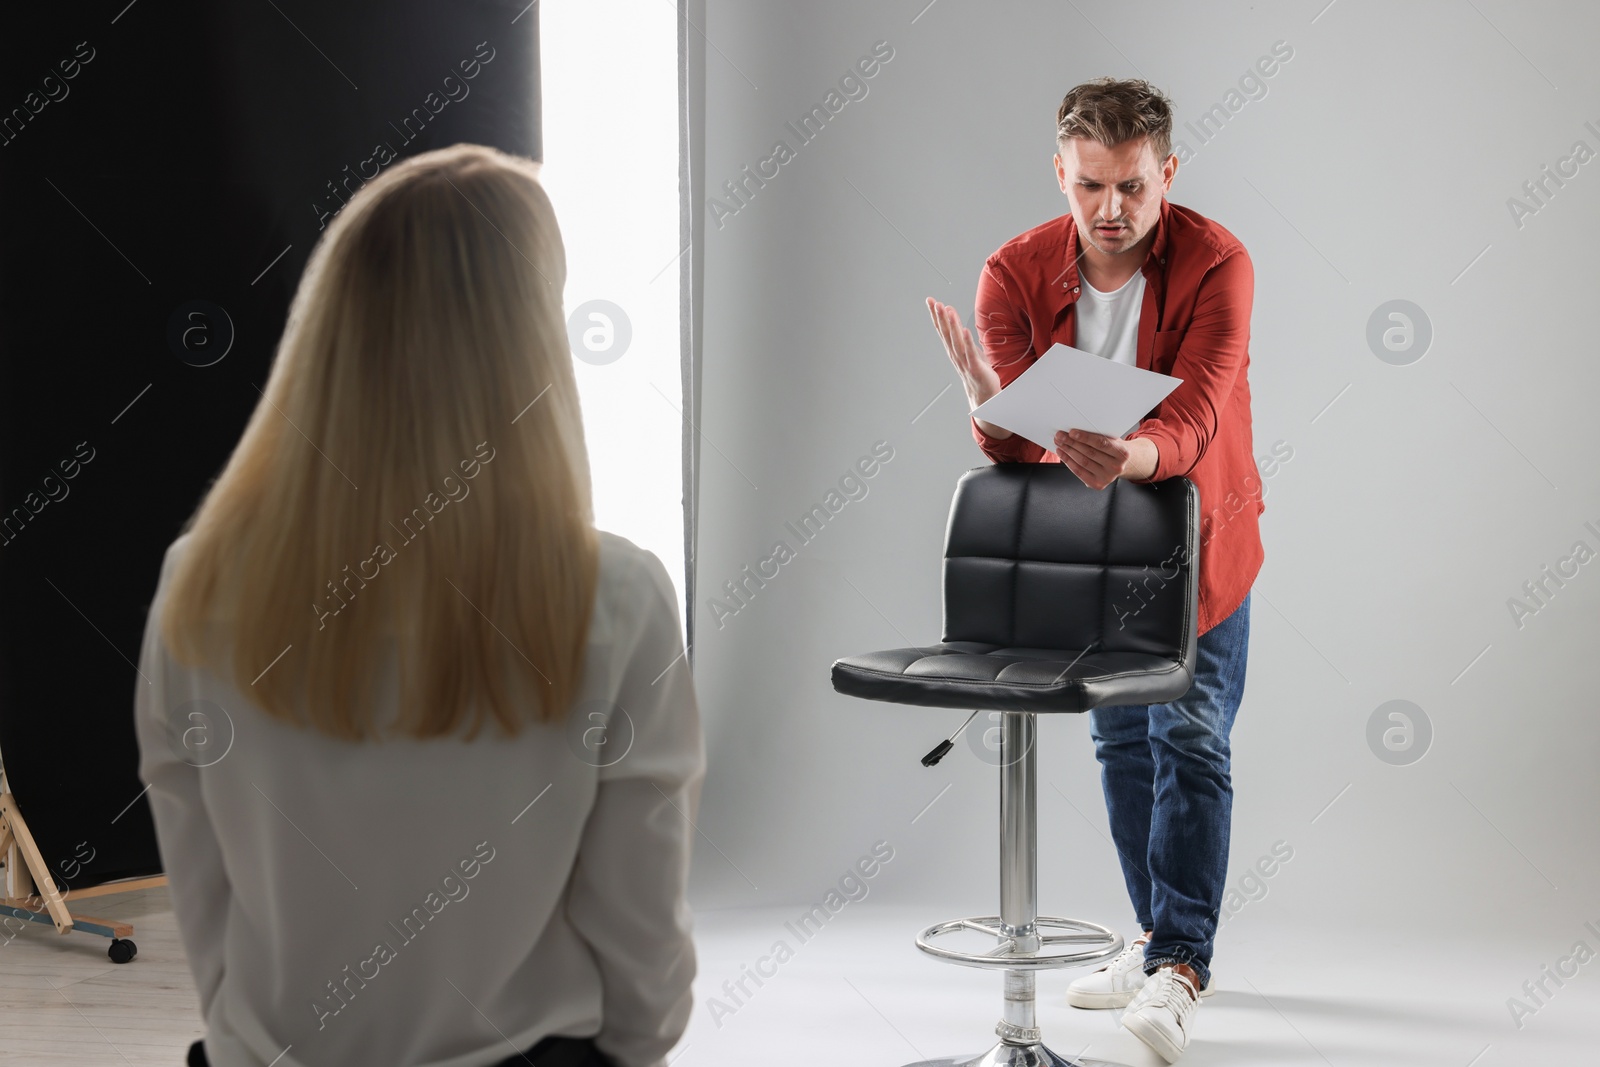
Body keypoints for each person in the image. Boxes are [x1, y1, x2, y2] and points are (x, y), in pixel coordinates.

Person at [133, 143, 704, 1067]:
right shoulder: (619, 598)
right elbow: (643, 961)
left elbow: (206, 911)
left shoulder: (197, 586)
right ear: (531, 344)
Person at [926, 77, 1261, 1063]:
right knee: (1121, 745)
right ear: (1060, 174)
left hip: (1199, 547)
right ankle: (1153, 939)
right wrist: (990, 408)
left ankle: (1182, 965)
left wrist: (1132, 457)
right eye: (1088, 188)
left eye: (1130, 187)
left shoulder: (1218, 264)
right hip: (1094, 559)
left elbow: (1197, 414)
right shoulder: (1012, 273)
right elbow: (1019, 452)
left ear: (1167, 173)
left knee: (1191, 740)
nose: (1109, 210)